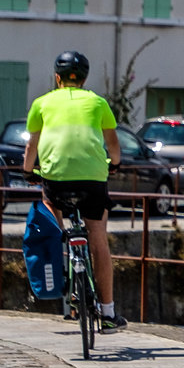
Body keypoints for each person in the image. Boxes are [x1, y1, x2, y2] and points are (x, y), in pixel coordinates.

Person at [21, 51, 124, 330]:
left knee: (50, 211)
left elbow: (32, 146)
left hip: (56, 181)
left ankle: (61, 259)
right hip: (93, 180)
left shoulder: (41, 103)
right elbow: (113, 145)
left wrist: (28, 172)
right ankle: (108, 312)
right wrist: (115, 164)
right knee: (98, 238)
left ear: (57, 78)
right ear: (85, 79)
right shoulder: (98, 102)